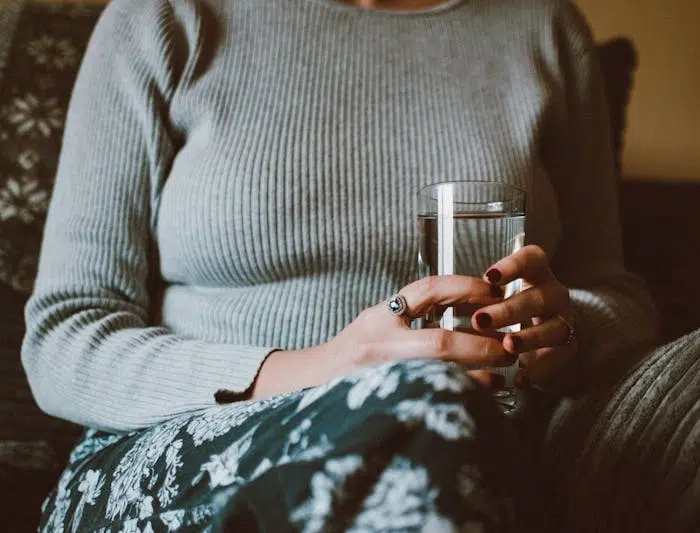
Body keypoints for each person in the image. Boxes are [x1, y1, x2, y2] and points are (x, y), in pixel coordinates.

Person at [21, 0, 659, 530]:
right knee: (421, 410)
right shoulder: (166, 17)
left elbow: (617, 294)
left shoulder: (542, 26)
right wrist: (326, 369)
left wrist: (567, 332)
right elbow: (66, 334)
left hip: (482, 426)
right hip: (187, 443)